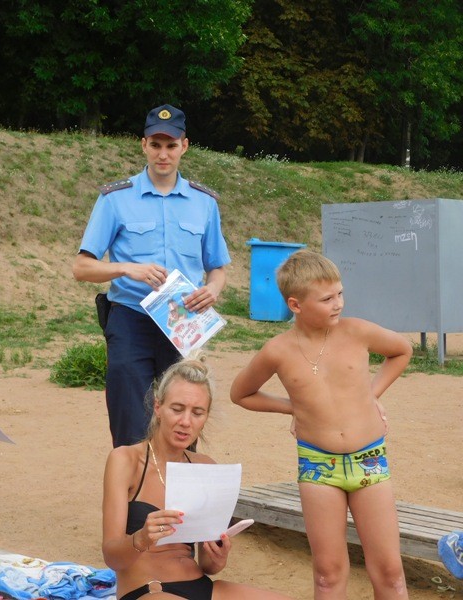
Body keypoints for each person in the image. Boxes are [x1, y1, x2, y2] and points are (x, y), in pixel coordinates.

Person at [230, 249, 412, 599]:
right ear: (296, 305)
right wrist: (293, 408)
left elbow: (401, 351)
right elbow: (242, 394)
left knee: (390, 572)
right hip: (317, 466)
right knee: (328, 575)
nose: (338, 303)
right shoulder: (277, 350)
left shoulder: (357, 331)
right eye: (327, 298)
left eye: (340, 293)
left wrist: (370, 395)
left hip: (368, 459)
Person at [73, 103, 231, 448]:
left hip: (183, 326)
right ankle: (134, 498)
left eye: (171, 146)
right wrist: (126, 268)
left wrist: (213, 289)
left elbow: (217, 266)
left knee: (183, 421)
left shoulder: (204, 203)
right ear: (143, 144)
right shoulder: (116, 199)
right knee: (130, 423)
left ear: (184, 147)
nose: (163, 154)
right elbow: (82, 266)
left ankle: (176, 498)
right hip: (131, 321)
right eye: (155, 145)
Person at [102, 354, 291, 600]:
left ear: (206, 417)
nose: (185, 422)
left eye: (197, 413)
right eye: (177, 409)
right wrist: (142, 538)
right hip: (149, 588)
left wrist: (217, 557)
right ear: (158, 407)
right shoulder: (126, 461)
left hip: (202, 587)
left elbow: (207, 567)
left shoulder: (204, 467)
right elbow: (112, 557)